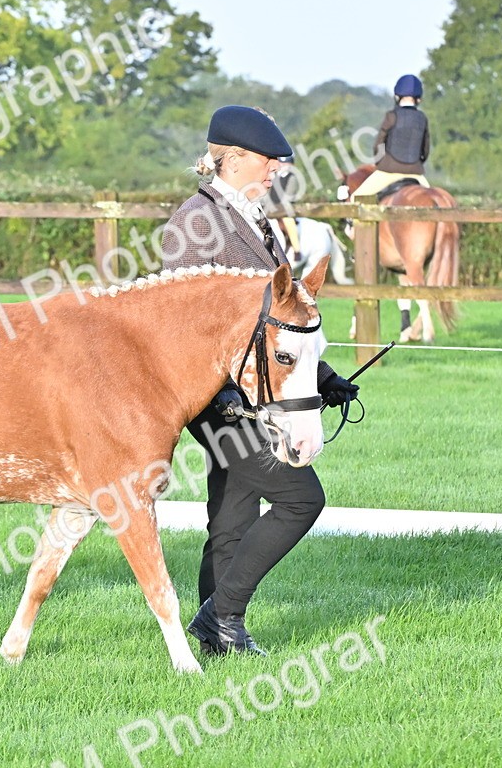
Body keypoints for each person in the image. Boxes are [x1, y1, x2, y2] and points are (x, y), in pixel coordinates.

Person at [160, 105, 359, 656]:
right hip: (220, 401)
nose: (275, 170)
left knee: (232, 519)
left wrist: (321, 375)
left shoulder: (255, 217)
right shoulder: (194, 224)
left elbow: (277, 321)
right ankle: (220, 616)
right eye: (269, 161)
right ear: (237, 159)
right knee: (300, 499)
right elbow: (184, 324)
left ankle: (221, 640)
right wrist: (228, 395)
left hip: (257, 392)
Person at [353, 74, 432, 200]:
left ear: (397, 97)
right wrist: (416, 163)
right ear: (418, 99)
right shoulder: (422, 119)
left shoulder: (391, 116)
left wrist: (380, 163)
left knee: (356, 199)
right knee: (435, 204)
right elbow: (425, 149)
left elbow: (379, 144)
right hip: (416, 173)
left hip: (388, 170)